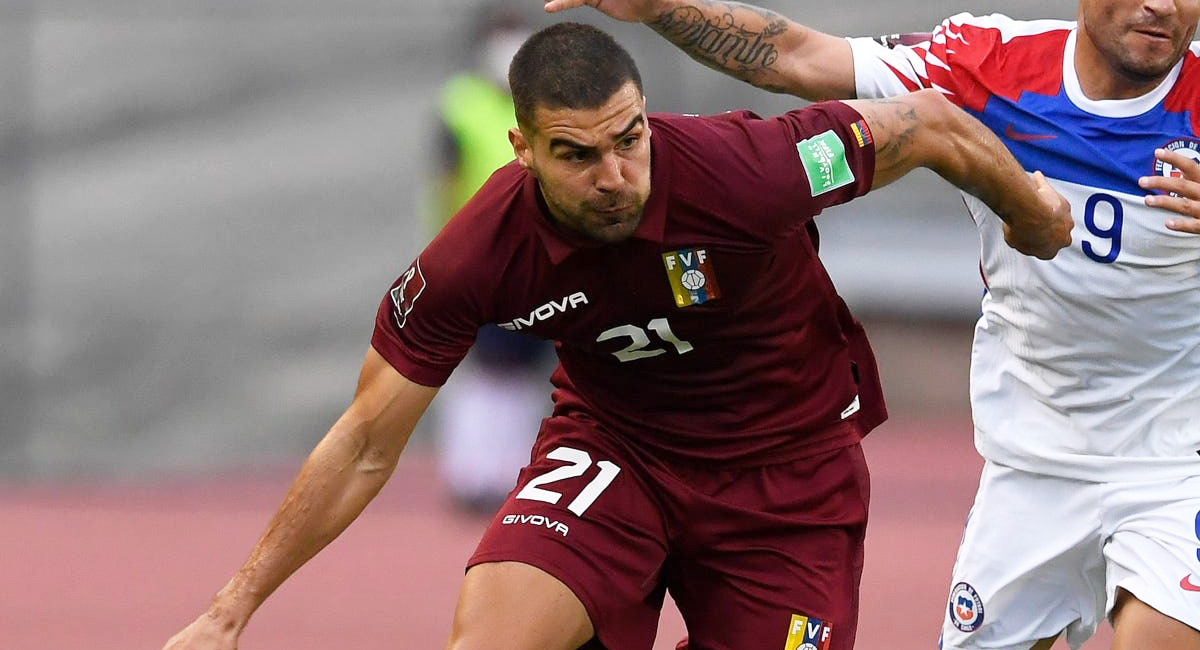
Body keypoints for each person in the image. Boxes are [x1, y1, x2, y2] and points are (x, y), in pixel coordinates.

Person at [160, 22, 1070, 650]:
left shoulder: (745, 171)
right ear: (522, 149)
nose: (616, 175)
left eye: (629, 139)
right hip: (619, 451)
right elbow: (365, 443)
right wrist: (230, 612)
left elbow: (931, 123)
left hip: (787, 474)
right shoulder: (476, 255)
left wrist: (1031, 216)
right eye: (578, 154)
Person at [545, 0, 1200, 648]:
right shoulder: (989, 63)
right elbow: (798, 56)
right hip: (1032, 461)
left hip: (1175, 465)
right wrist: (661, 8)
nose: (1161, 6)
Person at [428, 6, 552, 514]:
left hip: (540, 255)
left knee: (525, 368)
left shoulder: (543, 103)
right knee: (485, 366)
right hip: (479, 255)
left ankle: (510, 472)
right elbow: (445, 180)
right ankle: (470, 471)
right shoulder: (460, 103)